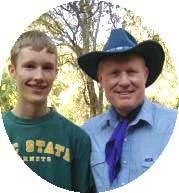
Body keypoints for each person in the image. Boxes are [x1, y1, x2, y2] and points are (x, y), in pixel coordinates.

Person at [78, 28, 178, 192]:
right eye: (114, 73)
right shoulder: (87, 135)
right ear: (101, 79)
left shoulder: (172, 126)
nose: (124, 82)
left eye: (131, 71)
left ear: (145, 75)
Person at [2, 30, 96, 193]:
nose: (39, 76)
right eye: (29, 66)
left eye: (47, 68)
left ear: (55, 73)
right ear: (12, 70)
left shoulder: (76, 139)